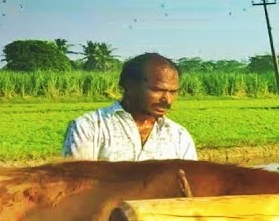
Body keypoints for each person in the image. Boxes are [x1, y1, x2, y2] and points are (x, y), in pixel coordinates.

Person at [62, 52, 198, 161]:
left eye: (173, 92)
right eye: (157, 90)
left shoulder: (179, 136)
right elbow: (76, 184)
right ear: (129, 86)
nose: (167, 99)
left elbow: (191, 185)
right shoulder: (89, 127)